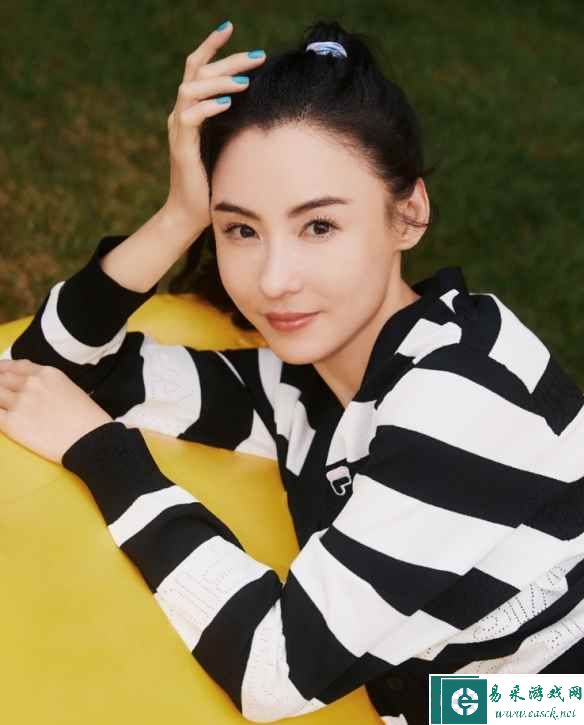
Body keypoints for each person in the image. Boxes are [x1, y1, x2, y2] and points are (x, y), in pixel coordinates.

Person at [1, 18, 583, 725]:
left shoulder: (461, 397)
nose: (275, 280)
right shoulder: (311, 383)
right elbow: (44, 369)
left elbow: (271, 672)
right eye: (241, 229)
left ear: (408, 214)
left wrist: (103, 454)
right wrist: (179, 216)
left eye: (319, 226)